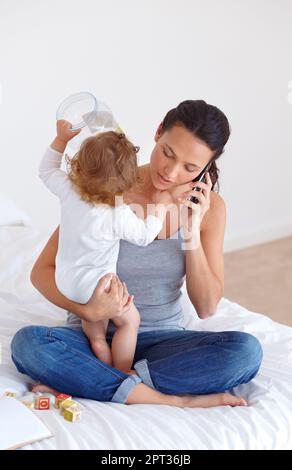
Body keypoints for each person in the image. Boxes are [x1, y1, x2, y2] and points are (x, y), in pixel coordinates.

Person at [11, 100, 263, 408]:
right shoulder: (109, 181)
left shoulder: (210, 209)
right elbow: (42, 271)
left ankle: (99, 381)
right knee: (29, 344)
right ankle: (168, 398)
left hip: (162, 343)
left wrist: (192, 230)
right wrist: (89, 312)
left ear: (207, 168)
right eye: (168, 153)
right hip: (92, 337)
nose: (170, 172)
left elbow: (207, 306)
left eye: (190, 167)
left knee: (245, 353)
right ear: (158, 133)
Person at [38, 121, 173, 373]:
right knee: (130, 322)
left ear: (78, 165)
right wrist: (161, 206)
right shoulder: (116, 213)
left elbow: (46, 170)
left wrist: (60, 140)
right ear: (126, 183)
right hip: (97, 286)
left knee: (96, 333)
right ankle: (120, 374)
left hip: (66, 281)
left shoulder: (69, 190)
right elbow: (144, 236)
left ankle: (98, 343)